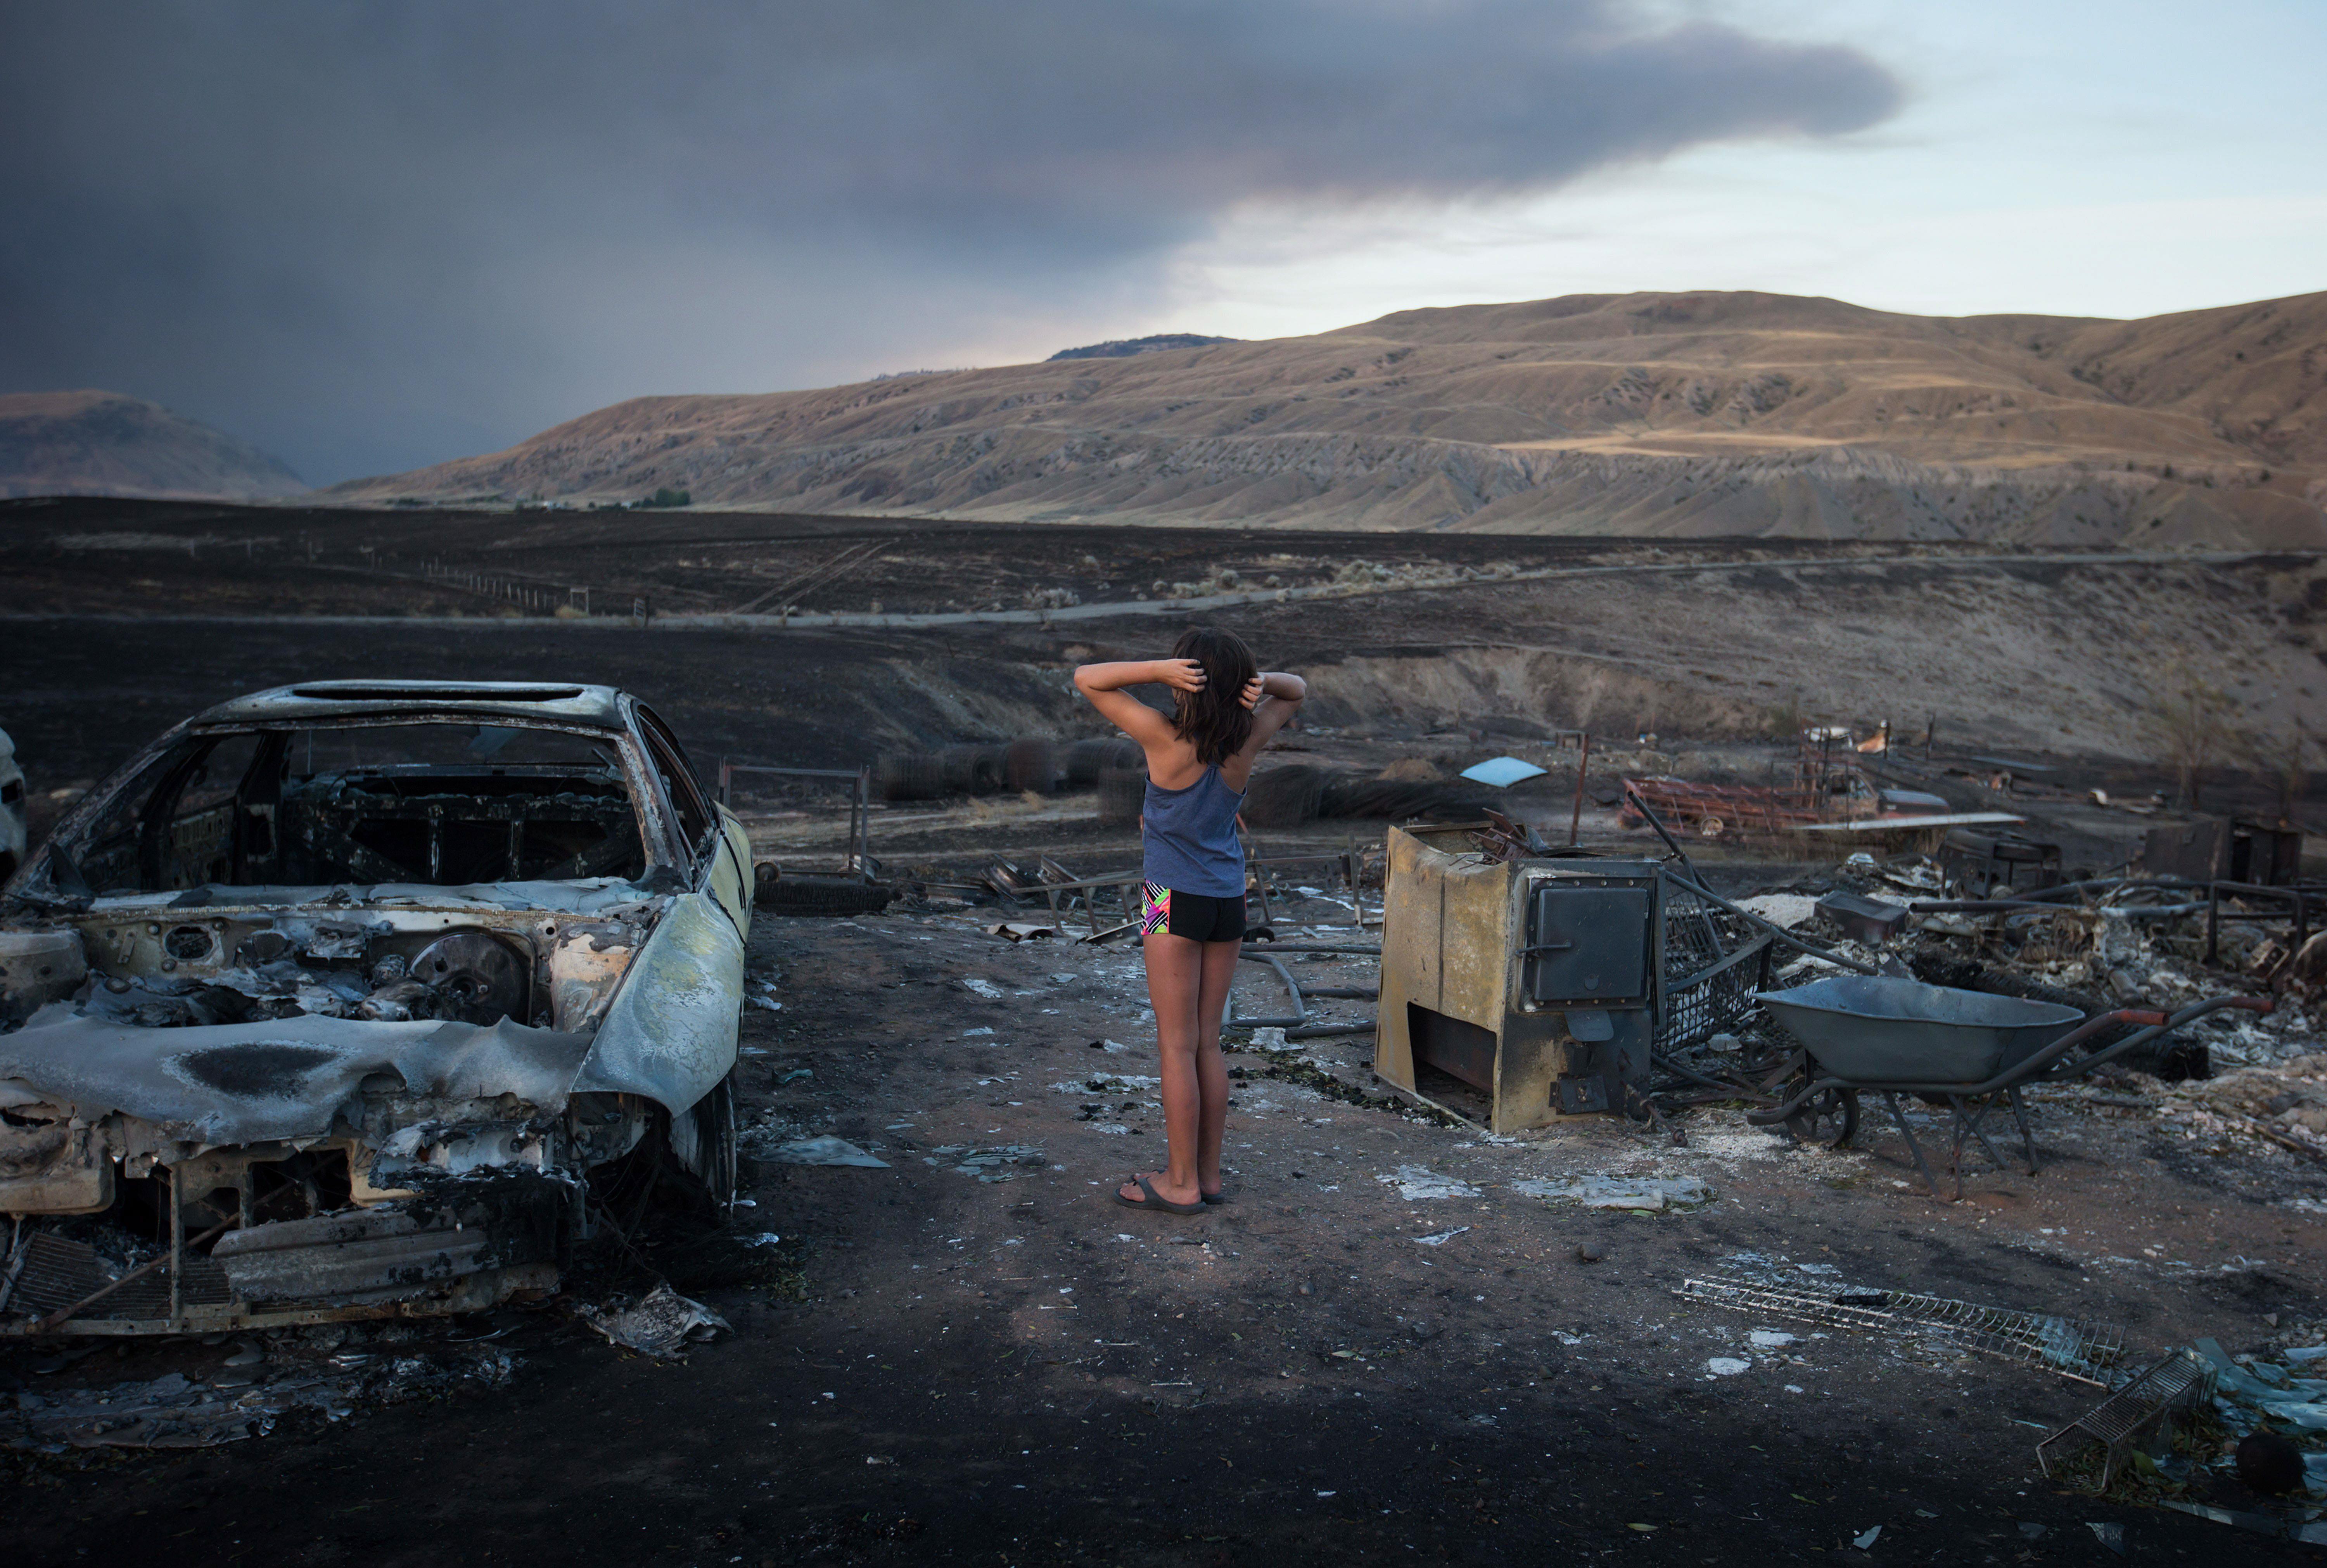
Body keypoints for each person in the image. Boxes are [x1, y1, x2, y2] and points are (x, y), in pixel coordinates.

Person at [1073, 629, 1306, 1214]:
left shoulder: (1163, 736)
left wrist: (1156, 668)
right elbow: (1297, 690)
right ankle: (1207, 1177)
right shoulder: (1246, 738)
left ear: (1188, 681)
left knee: (1175, 1047)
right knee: (1207, 1043)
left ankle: (1178, 1185)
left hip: (1167, 898)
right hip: (1229, 899)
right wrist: (1258, 682)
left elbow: (1086, 679)